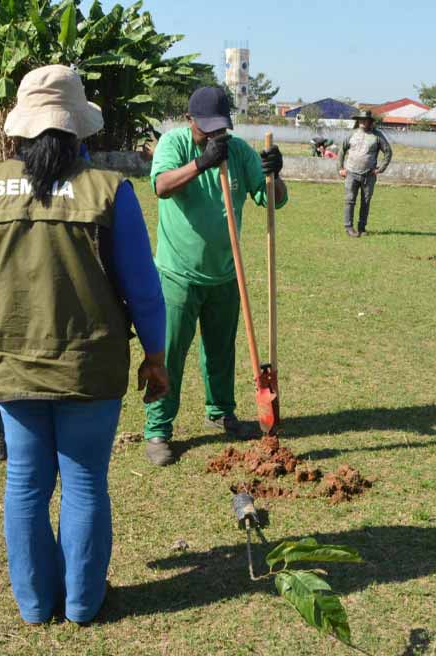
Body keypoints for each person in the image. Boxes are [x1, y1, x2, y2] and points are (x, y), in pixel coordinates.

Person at [0, 65, 169, 625]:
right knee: (83, 480)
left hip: (8, 362)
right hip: (89, 365)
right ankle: (82, 604)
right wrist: (156, 355)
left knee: (24, 482)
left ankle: (34, 605)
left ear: (21, 129)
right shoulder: (108, 191)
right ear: (78, 129)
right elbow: (144, 290)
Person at [143, 86, 288, 466]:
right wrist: (202, 163)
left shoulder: (238, 151)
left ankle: (221, 412)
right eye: (206, 128)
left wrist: (275, 175)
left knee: (221, 352)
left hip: (227, 273)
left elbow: (271, 199)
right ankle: (158, 429)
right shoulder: (174, 144)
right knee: (170, 354)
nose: (214, 135)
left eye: (219, 128)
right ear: (190, 120)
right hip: (178, 275)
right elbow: (160, 186)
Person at [338, 110, 392, 237]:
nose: (362, 122)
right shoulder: (352, 135)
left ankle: (362, 228)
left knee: (365, 202)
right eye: (360, 119)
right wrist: (340, 168)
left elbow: (388, 152)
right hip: (351, 173)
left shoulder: (377, 136)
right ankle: (349, 227)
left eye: (365, 120)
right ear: (358, 121)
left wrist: (380, 169)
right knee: (349, 200)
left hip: (369, 175)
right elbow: (341, 151)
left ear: (370, 122)